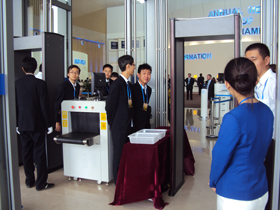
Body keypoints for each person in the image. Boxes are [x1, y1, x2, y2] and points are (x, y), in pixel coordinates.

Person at [209, 57, 273, 210]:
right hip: (260, 188)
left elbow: (220, 155)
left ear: (227, 84)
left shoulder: (233, 118)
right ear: (254, 80)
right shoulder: (267, 112)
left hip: (235, 192)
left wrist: (213, 181)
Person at [15, 56, 54, 191]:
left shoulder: (17, 84)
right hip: (38, 125)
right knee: (39, 154)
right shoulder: (41, 84)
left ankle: (29, 181)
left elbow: (15, 106)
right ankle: (41, 183)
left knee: (26, 154)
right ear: (36, 67)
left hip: (23, 125)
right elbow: (44, 106)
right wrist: (49, 124)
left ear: (23, 69)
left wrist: (16, 124)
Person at [245, 43, 276, 210]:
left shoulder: (273, 83)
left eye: (254, 59)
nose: (250, 63)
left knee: (270, 182)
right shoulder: (257, 83)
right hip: (260, 140)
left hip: (272, 142)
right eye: (247, 60)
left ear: (266, 60)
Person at [105, 55, 135, 184]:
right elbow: (109, 107)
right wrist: (113, 123)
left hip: (127, 125)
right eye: (133, 65)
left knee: (125, 153)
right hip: (118, 126)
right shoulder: (117, 84)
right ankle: (118, 181)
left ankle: (125, 176)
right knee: (118, 154)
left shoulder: (127, 84)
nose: (134, 67)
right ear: (127, 66)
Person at [54, 65, 81, 132]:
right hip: (64, 115)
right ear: (68, 74)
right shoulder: (63, 87)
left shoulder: (77, 86)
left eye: (76, 72)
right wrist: (57, 121)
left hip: (74, 114)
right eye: (72, 72)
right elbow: (57, 104)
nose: (74, 74)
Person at [131, 63, 152, 132]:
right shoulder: (133, 88)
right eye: (144, 73)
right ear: (138, 75)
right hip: (135, 123)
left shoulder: (149, 89)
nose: (146, 76)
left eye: (149, 74)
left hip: (146, 122)